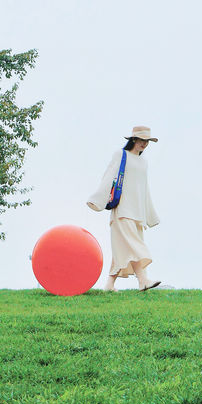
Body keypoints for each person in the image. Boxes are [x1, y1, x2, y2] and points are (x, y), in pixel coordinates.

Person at [87, 125, 161, 292]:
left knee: (124, 247)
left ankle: (109, 285)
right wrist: (97, 199)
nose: (144, 144)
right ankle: (143, 280)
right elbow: (109, 176)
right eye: (142, 140)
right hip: (122, 210)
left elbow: (144, 188)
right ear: (134, 139)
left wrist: (150, 215)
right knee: (133, 245)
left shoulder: (143, 162)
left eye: (147, 141)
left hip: (138, 212)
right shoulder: (121, 155)